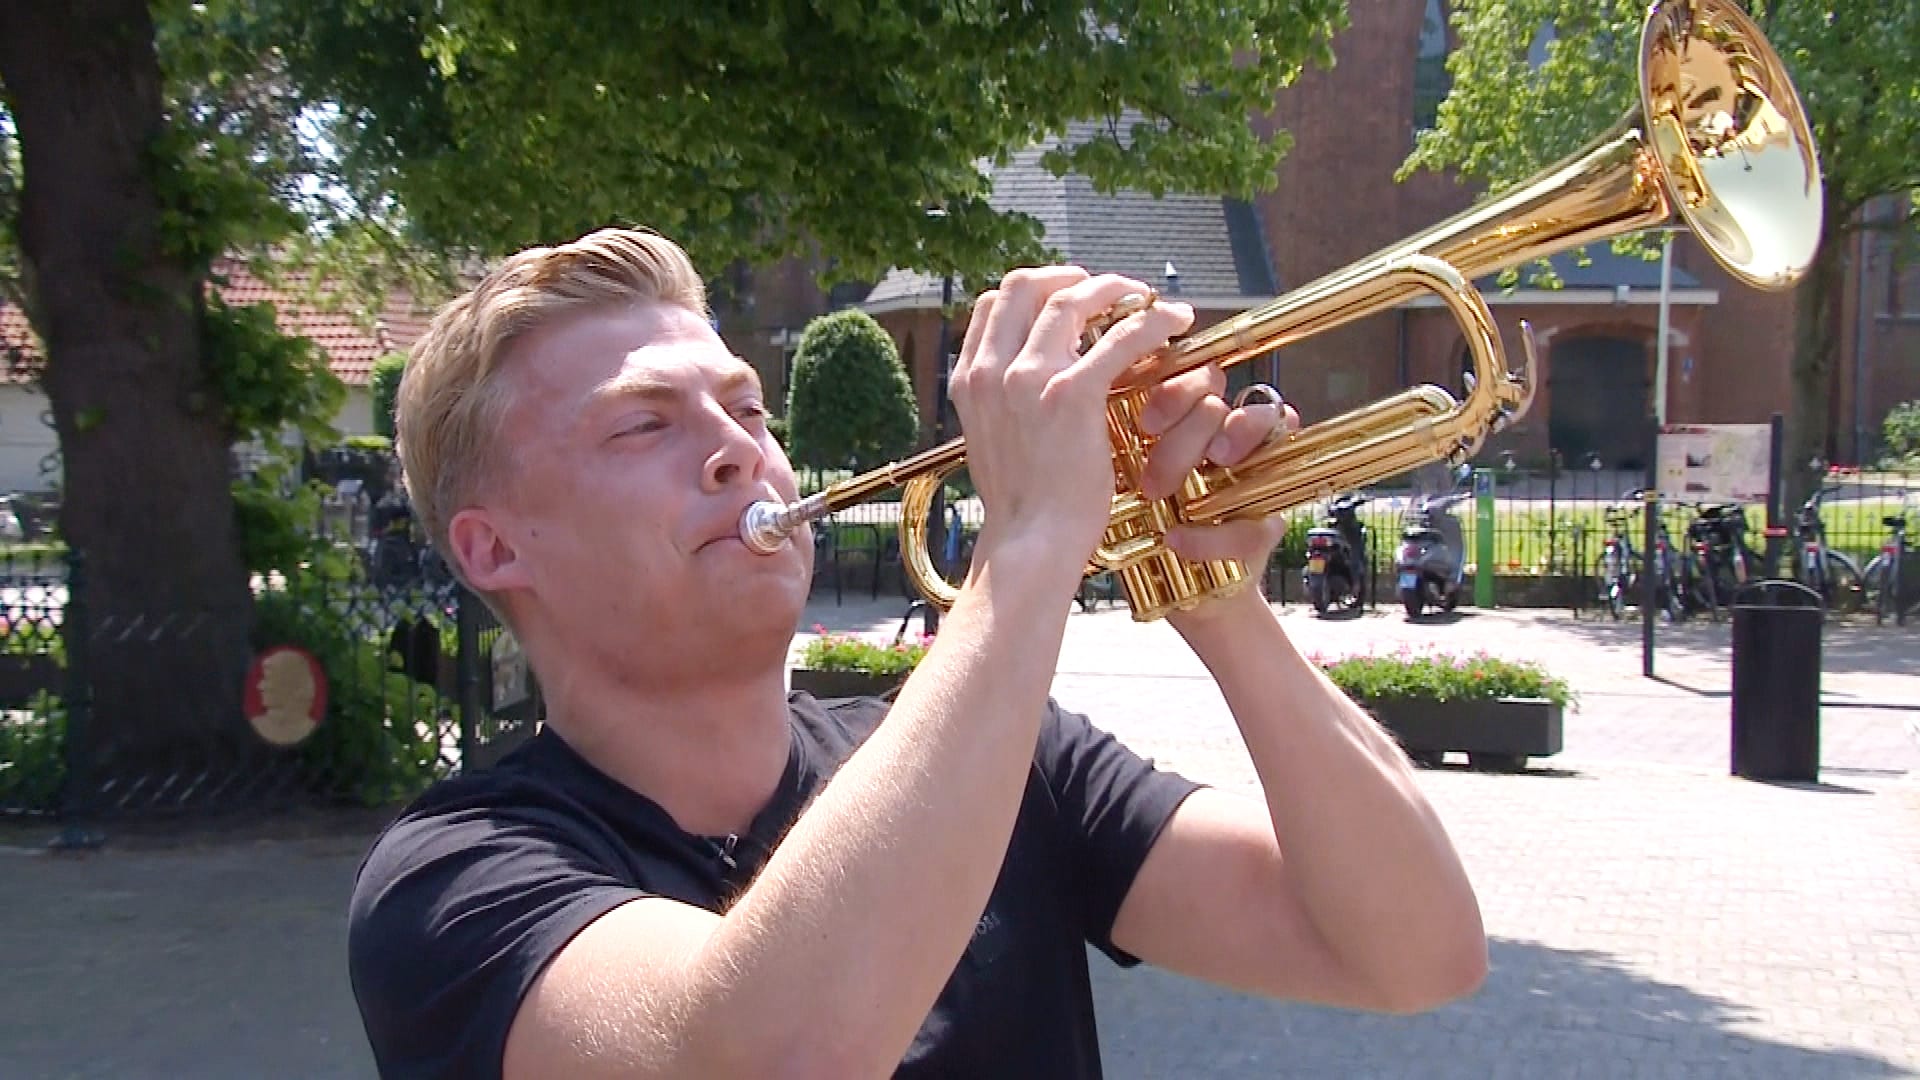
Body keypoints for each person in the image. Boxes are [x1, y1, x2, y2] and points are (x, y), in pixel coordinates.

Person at [346, 227, 1488, 1079]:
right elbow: (767, 1055)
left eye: (748, 412)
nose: (739, 456)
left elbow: (1415, 953)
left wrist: (1221, 597)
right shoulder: (457, 878)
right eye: (647, 423)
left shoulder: (1008, 761)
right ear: (495, 548)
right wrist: (1031, 546)